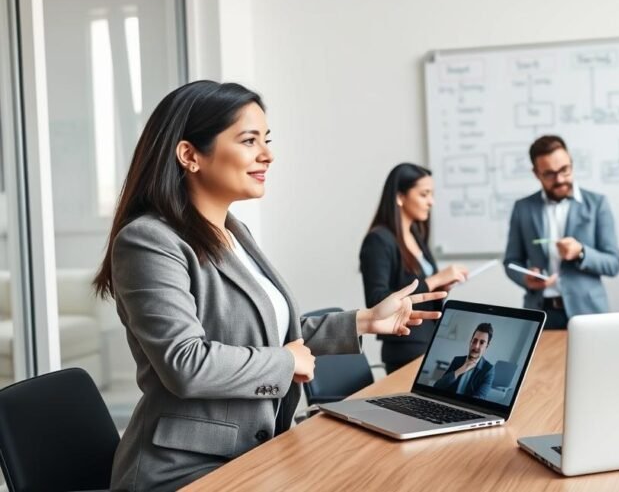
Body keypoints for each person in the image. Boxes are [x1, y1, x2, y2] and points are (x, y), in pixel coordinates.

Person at [92, 81, 446, 491]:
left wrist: (366, 321)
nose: (267, 154)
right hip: (184, 469)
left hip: (256, 449)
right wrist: (284, 363)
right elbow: (184, 363)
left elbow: (268, 332)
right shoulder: (149, 241)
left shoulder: (233, 231)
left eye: (267, 139)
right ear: (189, 155)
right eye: (249, 140)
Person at [503, 135, 619, 329]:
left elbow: (614, 263)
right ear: (536, 173)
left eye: (564, 170)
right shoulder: (523, 208)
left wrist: (581, 252)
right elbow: (511, 261)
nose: (559, 180)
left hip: (587, 312)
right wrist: (525, 278)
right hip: (540, 312)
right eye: (549, 174)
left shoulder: (597, 204)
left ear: (571, 164)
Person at [360, 164, 469, 373]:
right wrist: (434, 280)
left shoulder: (416, 234)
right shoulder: (378, 240)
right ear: (400, 197)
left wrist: (440, 287)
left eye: (432, 194)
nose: (431, 202)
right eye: (424, 194)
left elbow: (421, 289)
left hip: (430, 340)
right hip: (405, 347)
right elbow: (376, 300)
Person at [433, 323, 495, 398]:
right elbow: (437, 386)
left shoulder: (489, 370)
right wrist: (462, 369)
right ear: (470, 341)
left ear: (487, 346)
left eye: (482, 342)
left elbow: (479, 399)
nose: (476, 346)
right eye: (474, 341)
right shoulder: (457, 360)